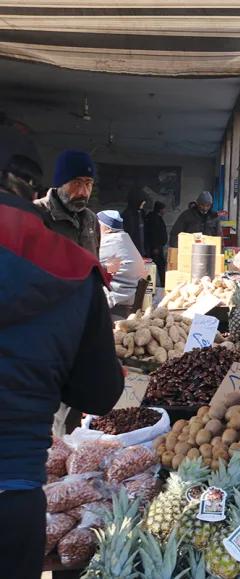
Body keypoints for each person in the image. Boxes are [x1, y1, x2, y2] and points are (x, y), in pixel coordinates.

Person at [0, 126, 123, 577]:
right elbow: (99, 394)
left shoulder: (88, 229)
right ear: (36, 186)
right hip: (13, 496)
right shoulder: (75, 273)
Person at [32, 149, 100, 256]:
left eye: (88, 184)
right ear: (60, 183)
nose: (83, 192)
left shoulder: (91, 219)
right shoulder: (36, 212)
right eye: (77, 183)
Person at [97, 210, 148, 309]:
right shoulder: (123, 239)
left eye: (98, 225)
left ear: (107, 228)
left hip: (115, 298)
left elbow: (88, 264)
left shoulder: (109, 242)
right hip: (130, 296)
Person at [145, 200, 169, 286]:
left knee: (159, 266)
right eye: (164, 209)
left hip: (158, 246)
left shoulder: (157, 218)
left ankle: (161, 283)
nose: (165, 211)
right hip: (156, 247)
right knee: (158, 266)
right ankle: (158, 284)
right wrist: (155, 247)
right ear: (160, 209)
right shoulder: (154, 219)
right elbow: (154, 234)